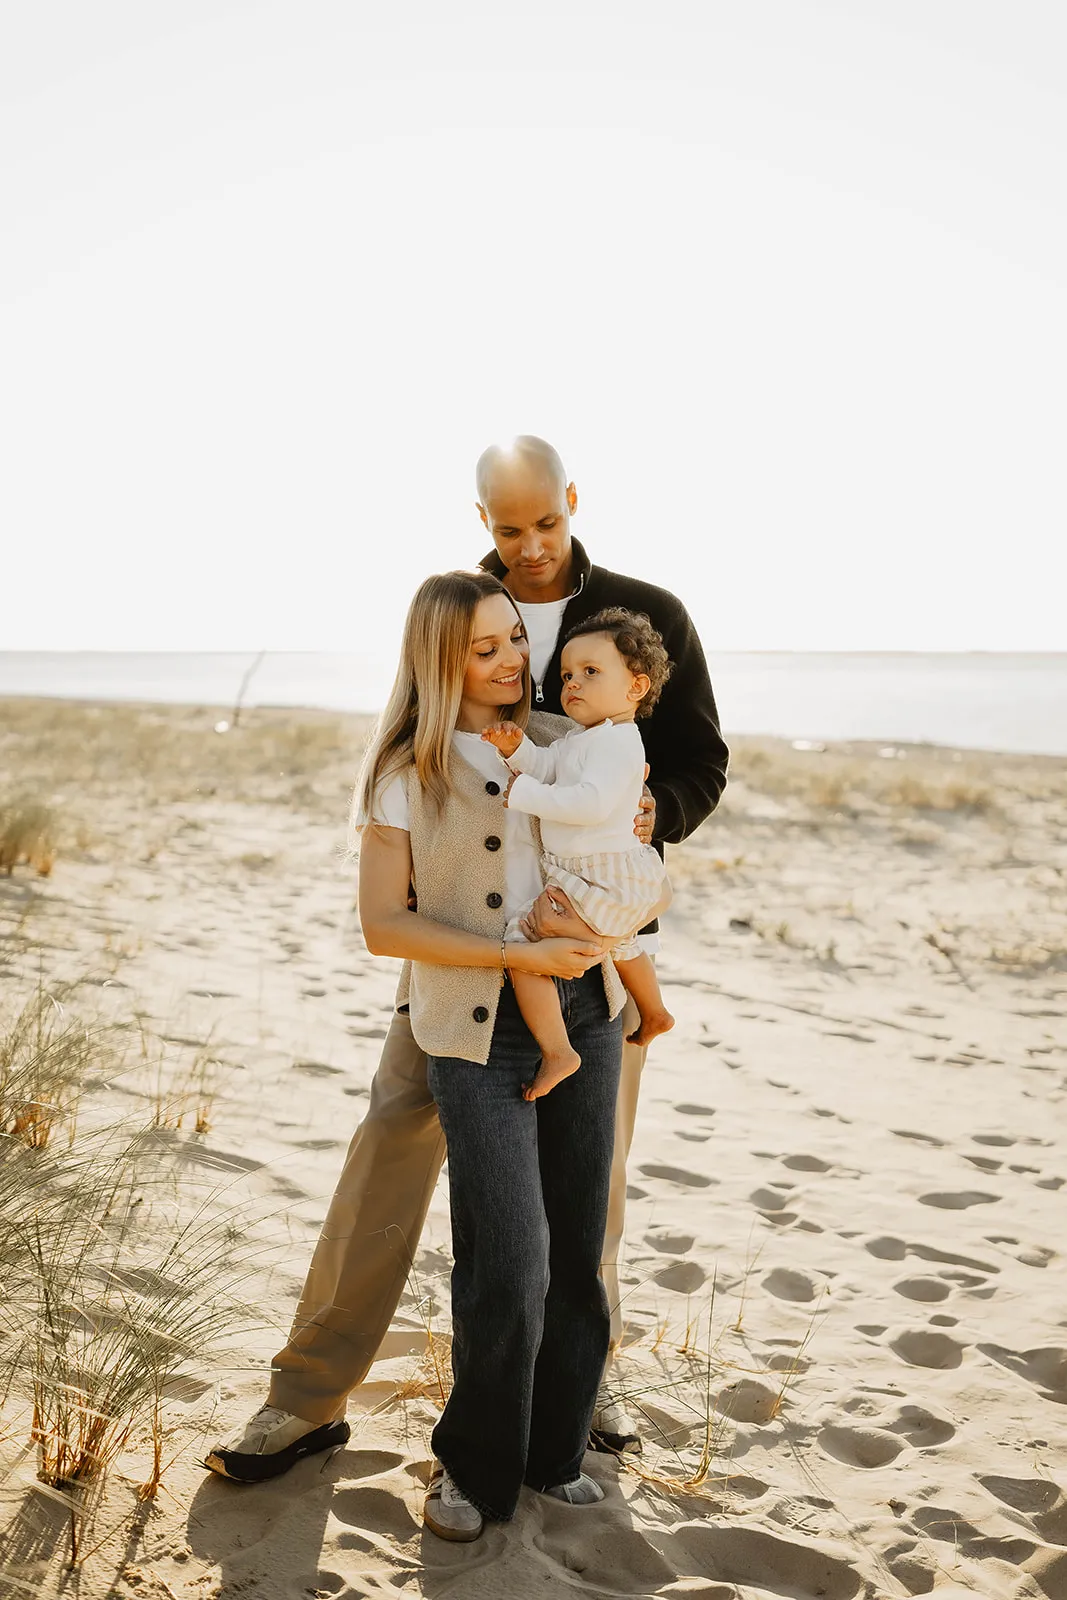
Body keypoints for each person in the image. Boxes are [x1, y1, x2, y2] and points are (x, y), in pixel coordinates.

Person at [205, 435, 727, 1486]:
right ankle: (304, 1396)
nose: (529, 546)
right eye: (507, 527)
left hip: (591, 943)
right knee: (391, 1141)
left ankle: (584, 1381)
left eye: (545, 522)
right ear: (481, 522)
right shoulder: (455, 610)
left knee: (588, 1185)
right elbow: (418, 751)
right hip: (455, 943)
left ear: (572, 503)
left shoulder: (644, 611)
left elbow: (698, 761)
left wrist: (647, 813)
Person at [210, 571, 634, 1539]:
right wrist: (509, 952)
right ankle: (474, 1471)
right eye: (482, 650)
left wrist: (629, 878)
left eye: (510, 642)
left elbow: (628, 856)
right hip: (466, 1025)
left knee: (576, 1251)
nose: (508, 663)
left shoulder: (574, 744)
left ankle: (555, 1454)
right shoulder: (406, 770)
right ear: (438, 663)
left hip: (585, 1008)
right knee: (506, 1260)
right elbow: (380, 924)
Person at [482, 607, 676, 1101]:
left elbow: (588, 805)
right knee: (622, 941)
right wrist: (517, 751)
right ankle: (653, 1011)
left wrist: (522, 793)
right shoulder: (581, 739)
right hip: (599, 879)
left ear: (636, 687)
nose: (574, 683)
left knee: (524, 944)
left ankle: (557, 1050)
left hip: (601, 876)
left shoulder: (616, 744)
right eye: (567, 674)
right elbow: (547, 766)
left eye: (592, 672)